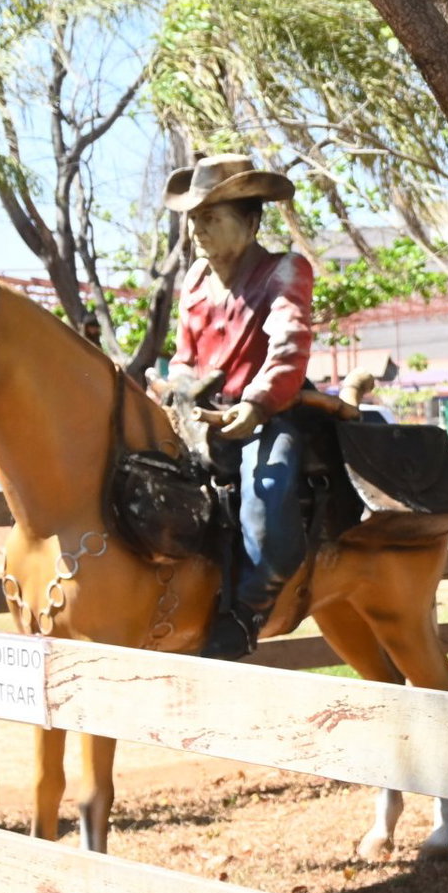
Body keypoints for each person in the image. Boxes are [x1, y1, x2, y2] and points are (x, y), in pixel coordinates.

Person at [161, 153, 316, 660]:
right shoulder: (195, 281)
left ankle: (247, 610)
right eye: (194, 219)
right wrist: (179, 390)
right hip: (197, 417)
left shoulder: (284, 270)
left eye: (211, 217)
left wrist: (256, 404)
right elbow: (184, 357)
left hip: (266, 413)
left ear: (250, 224)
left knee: (266, 495)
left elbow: (288, 347)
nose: (197, 229)